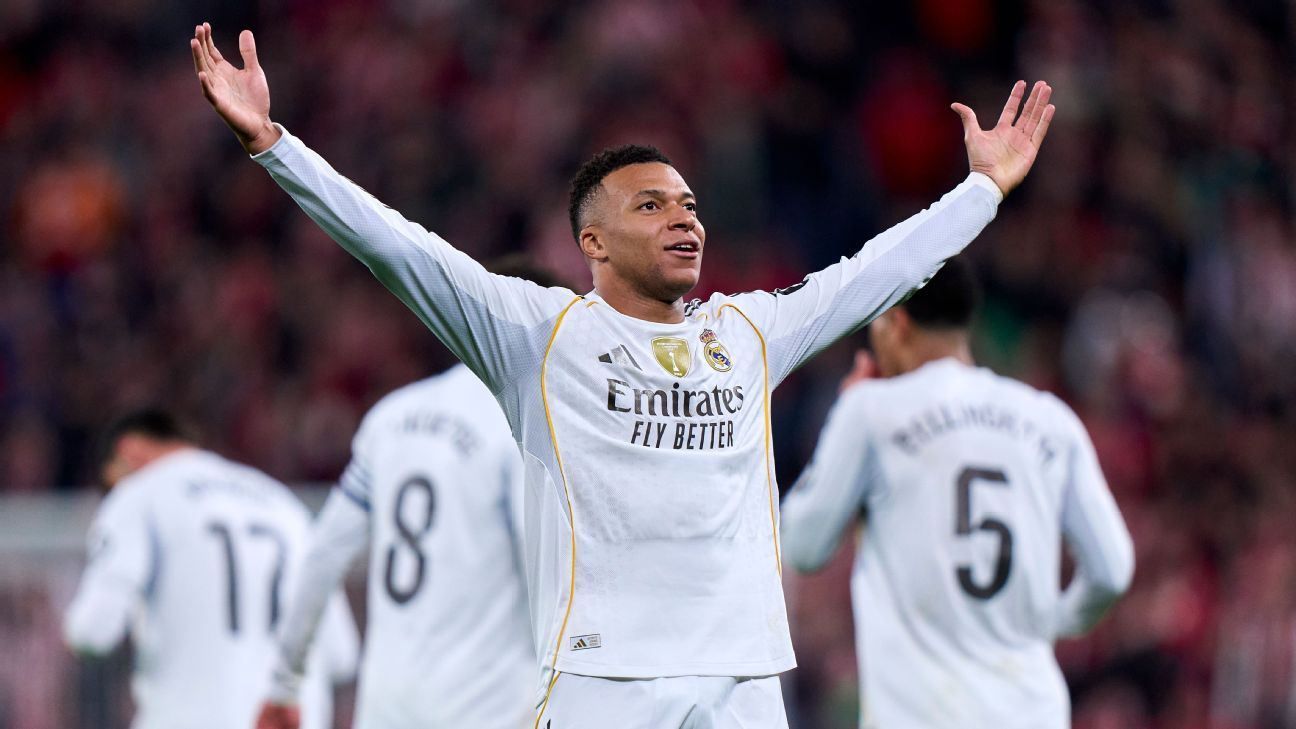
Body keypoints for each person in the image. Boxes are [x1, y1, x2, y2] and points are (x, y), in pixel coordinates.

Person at [190, 22, 1054, 727]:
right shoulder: (540, 333)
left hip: (742, 679)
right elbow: (396, 245)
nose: (685, 219)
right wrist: (272, 144)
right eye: (652, 204)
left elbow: (871, 274)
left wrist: (981, 191)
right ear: (592, 243)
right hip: (603, 680)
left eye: (689, 205)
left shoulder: (747, 333)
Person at [780, 258, 1135, 729]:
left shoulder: (871, 411)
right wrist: (1055, 622)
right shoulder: (1050, 419)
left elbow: (803, 546)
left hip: (922, 714)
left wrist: (843, 431)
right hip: (1031, 711)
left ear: (895, 323)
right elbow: (1112, 570)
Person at [255, 259, 567, 729]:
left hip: (385, 707)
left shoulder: (392, 416)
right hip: (487, 706)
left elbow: (324, 555)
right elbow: (542, 567)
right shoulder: (525, 425)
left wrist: (284, 681)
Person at [63, 409, 359, 729]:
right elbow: (341, 655)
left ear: (129, 451)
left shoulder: (138, 494)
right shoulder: (284, 505)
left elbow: (93, 631)